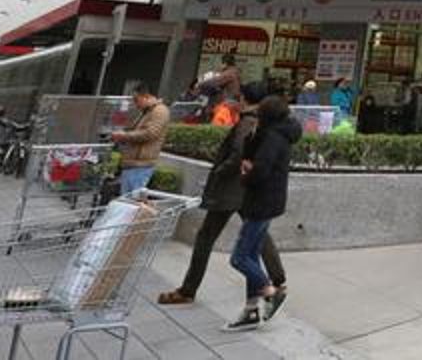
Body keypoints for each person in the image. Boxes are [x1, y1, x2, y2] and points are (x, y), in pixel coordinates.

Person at [159, 84, 285, 308]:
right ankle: (277, 279)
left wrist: (219, 171)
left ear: (244, 99)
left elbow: (238, 155)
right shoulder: (262, 122)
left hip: (231, 188)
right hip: (247, 187)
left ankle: (188, 289)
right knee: (259, 236)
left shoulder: (247, 122)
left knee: (206, 237)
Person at [224, 94, 300, 331]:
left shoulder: (273, 138)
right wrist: (253, 135)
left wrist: (246, 175)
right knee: (252, 255)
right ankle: (251, 310)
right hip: (267, 202)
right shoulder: (273, 134)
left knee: (239, 258)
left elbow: (261, 170)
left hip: (261, 202)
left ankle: (270, 292)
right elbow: (251, 153)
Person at [110, 84, 169, 194]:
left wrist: (124, 136)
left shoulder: (160, 111)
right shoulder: (147, 111)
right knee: (127, 200)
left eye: (136, 100)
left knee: (132, 199)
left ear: (146, 96)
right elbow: (138, 131)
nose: (135, 104)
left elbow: (150, 133)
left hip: (140, 165)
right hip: (133, 163)